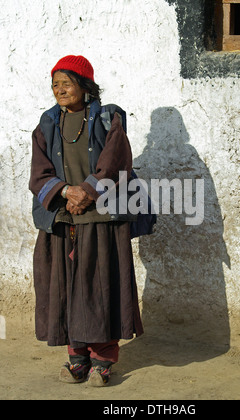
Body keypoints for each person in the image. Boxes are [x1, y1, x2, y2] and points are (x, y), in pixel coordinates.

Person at [29, 55, 152, 387]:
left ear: (84, 85)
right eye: (55, 84)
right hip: (62, 218)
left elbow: (114, 162)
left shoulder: (107, 118)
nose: (59, 90)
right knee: (65, 289)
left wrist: (87, 191)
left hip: (100, 217)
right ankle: (77, 357)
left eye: (66, 83)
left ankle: (103, 360)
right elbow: (39, 174)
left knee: (100, 288)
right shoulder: (47, 124)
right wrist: (67, 191)